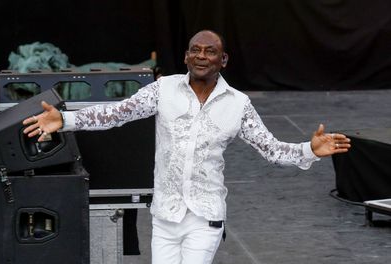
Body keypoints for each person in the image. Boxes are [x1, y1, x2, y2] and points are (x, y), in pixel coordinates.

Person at [22, 30, 351, 264]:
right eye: (196, 49)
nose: (202, 56)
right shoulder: (162, 89)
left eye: (210, 51)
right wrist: (65, 120)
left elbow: (271, 150)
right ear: (186, 56)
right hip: (165, 216)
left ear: (223, 60)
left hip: (205, 218)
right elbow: (116, 113)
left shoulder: (238, 104)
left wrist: (309, 149)